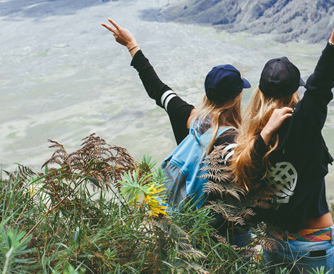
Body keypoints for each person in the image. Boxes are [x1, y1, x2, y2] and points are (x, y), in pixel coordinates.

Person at [230, 2, 334, 274]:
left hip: (274, 246)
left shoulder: (250, 138)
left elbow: (241, 173)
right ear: (293, 93)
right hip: (314, 245)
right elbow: (322, 81)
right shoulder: (303, 126)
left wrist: (264, 134)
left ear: (259, 92)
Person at [102, 18, 250, 234]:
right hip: (223, 240)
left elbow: (158, 90)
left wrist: (132, 45)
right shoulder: (233, 143)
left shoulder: (192, 119)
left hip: (186, 227)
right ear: (237, 98)